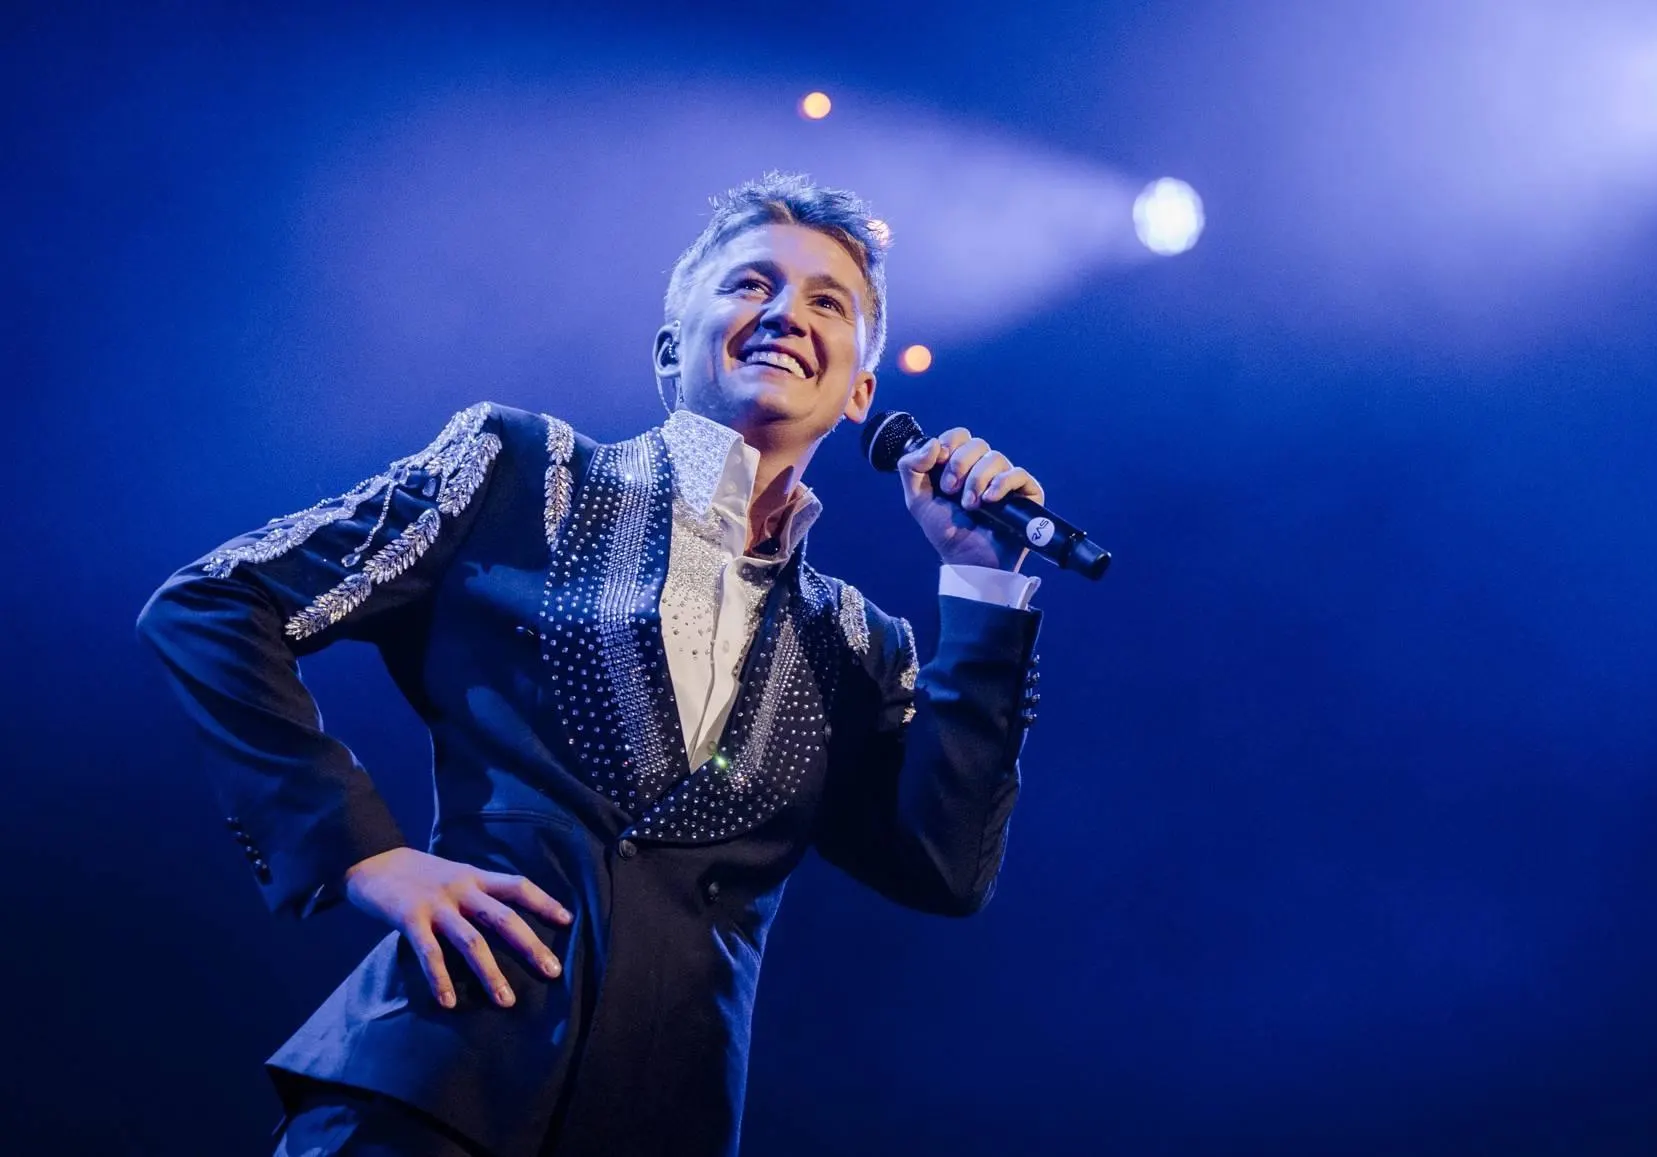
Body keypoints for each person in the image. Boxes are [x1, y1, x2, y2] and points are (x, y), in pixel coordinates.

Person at [136, 172, 1049, 1157]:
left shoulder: (859, 642)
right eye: (750, 283)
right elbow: (213, 602)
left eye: (828, 301)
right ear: (671, 347)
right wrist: (363, 852)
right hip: (432, 1087)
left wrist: (980, 580)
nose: (787, 311)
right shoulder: (521, 472)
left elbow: (945, 868)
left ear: (860, 391)